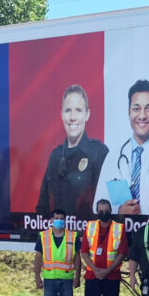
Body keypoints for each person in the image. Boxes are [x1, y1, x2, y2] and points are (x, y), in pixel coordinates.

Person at [94, 80, 149, 214]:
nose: (142, 116)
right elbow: (97, 207)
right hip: (118, 234)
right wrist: (119, 212)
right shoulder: (113, 158)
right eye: (136, 108)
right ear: (129, 112)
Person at [36, 84, 109, 217]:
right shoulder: (55, 156)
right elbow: (42, 206)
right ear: (62, 114)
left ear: (87, 114)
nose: (72, 117)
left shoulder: (99, 152)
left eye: (78, 110)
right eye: (68, 110)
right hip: (59, 233)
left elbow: (106, 205)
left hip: (86, 234)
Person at [79, 199, 129, 296]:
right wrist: (95, 269)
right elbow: (84, 252)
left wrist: (107, 271)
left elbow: (122, 254)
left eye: (106, 210)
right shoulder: (90, 227)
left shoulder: (119, 228)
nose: (104, 213)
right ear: (96, 212)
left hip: (111, 276)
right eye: (101, 211)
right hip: (92, 275)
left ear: (110, 211)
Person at [33, 208, 82, 296]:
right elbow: (38, 257)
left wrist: (77, 277)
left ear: (65, 220)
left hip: (67, 278)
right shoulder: (43, 236)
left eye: (61, 218)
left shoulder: (73, 236)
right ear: (51, 220)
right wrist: (37, 277)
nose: (58, 221)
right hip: (49, 278)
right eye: (56, 218)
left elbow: (77, 258)